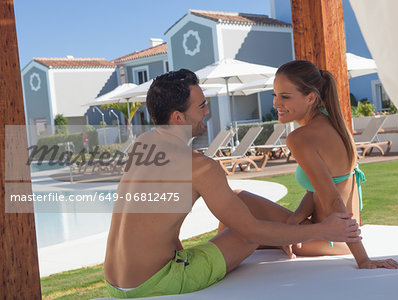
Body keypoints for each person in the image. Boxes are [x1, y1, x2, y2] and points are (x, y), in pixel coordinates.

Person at [104, 69, 361, 298]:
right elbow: (252, 232)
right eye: (201, 106)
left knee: (243, 207)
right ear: (178, 117)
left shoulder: (141, 146)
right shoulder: (200, 167)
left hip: (115, 283)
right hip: (158, 282)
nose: (207, 111)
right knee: (249, 229)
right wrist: (323, 230)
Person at [272, 60, 398, 269]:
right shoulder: (334, 125)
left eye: (285, 96)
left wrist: (363, 260)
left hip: (325, 239)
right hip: (336, 239)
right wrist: (294, 219)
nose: (276, 104)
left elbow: (332, 199)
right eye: (275, 95)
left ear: (311, 97)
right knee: (243, 230)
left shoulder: (301, 137)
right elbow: (320, 190)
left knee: (239, 200)